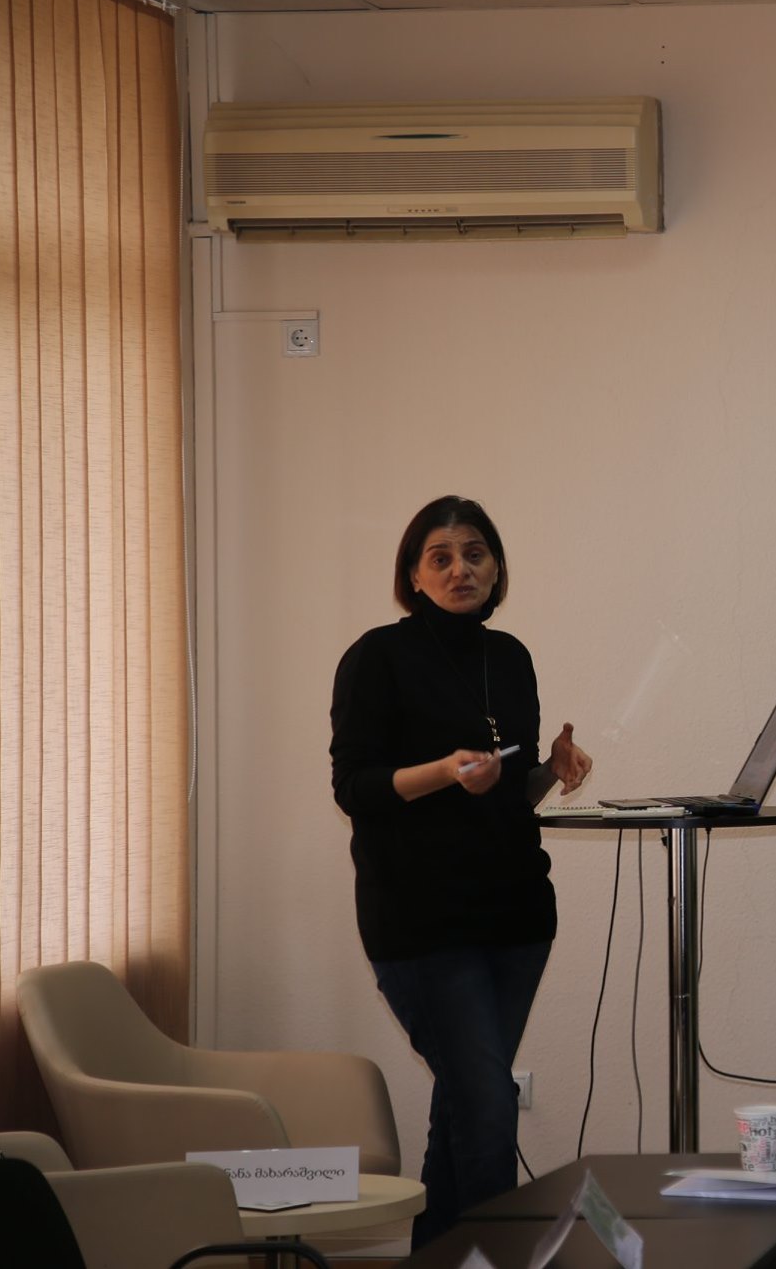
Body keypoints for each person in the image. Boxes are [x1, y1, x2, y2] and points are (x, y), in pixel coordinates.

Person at [329, 495, 592, 1247]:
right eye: (440, 557)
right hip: (422, 923)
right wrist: (444, 771)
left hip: (516, 918)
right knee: (486, 1106)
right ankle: (497, 1258)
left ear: (497, 568)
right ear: (413, 575)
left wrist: (549, 770)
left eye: (475, 554)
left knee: (465, 1107)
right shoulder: (376, 657)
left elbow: (506, 792)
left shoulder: (509, 658)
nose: (459, 570)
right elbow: (355, 789)